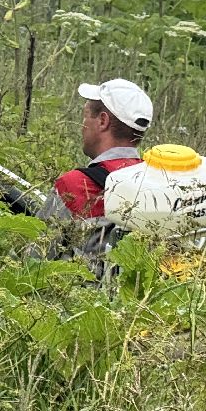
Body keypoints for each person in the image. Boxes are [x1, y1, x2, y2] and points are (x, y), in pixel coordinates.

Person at [37, 77, 153, 269]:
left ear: (102, 121)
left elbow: (33, 262)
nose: (82, 125)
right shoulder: (157, 184)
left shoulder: (75, 185)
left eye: (86, 115)